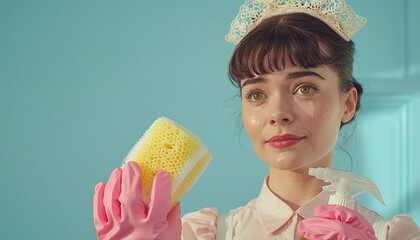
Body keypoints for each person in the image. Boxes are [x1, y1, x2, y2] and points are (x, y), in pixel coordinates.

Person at [93, 0, 420, 239]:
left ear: (347, 104)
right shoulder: (196, 234)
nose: (278, 113)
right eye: (257, 94)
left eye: (305, 88)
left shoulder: (394, 236)